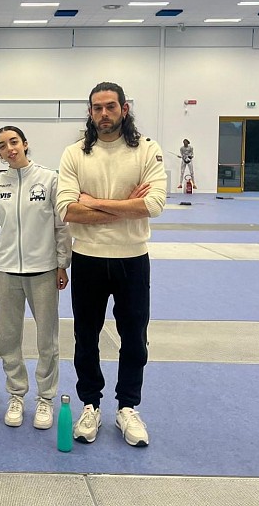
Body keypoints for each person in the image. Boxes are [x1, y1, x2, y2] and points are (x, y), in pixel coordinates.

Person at [56, 82, 166, 447]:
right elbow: (67, 210)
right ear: (90, 113)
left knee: (134, 338)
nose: (104, 114)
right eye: (97, 108)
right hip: (87, 259)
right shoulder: (74, 154)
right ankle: (90, 404)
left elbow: (153, 205)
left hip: (133, 259)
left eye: (110, 107)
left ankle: (128, 408)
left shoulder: (147, 150)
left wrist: (96, 202)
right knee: (85, 338)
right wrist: (123, 205)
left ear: (125, 108)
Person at [0, 126, 71, 430]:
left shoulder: (49, 179)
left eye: (14, 142)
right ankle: (16, 394)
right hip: (7, 270)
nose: (9, 148)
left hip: (44, 270)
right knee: (9, 338)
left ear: (25, 144)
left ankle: (46, 398)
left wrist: (62, 263)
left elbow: (62, 225)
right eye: (2, 145)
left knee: (46, 339)